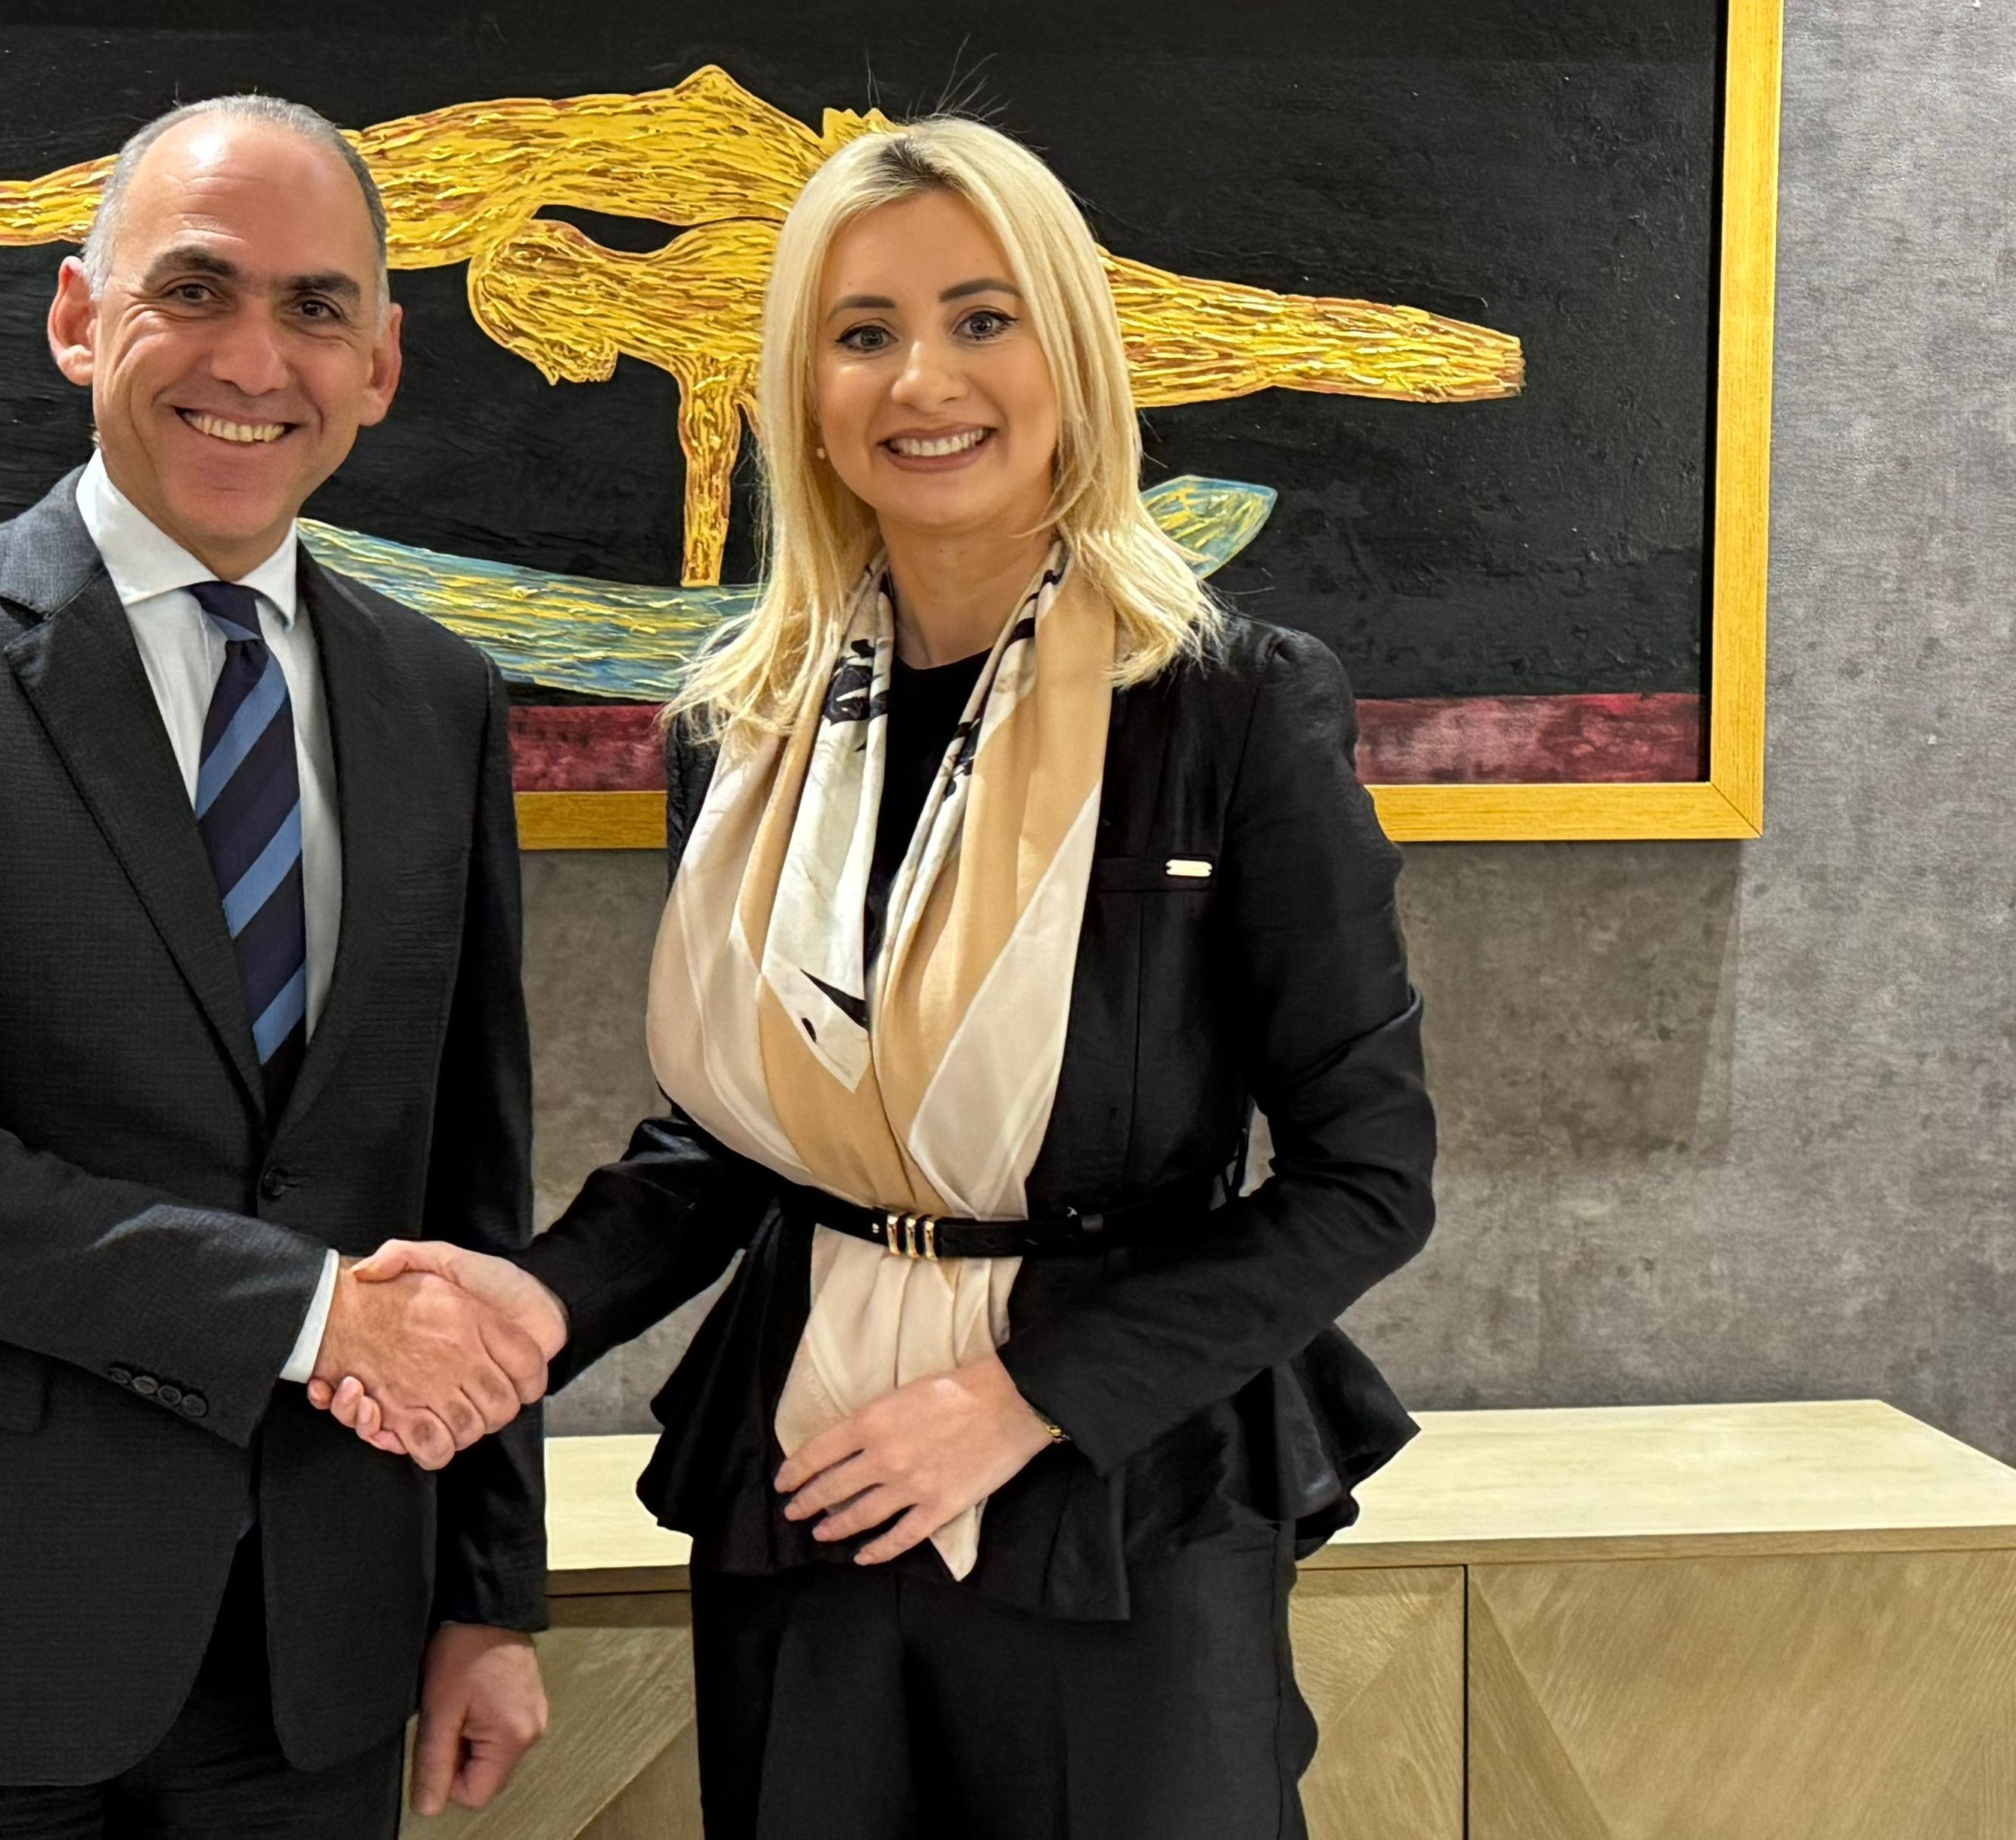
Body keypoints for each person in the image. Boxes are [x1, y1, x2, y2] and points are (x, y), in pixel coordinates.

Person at [319, 117, 1438, 1837]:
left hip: (1117, 1487)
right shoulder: (741, 723)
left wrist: (1016, 1402)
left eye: (982, 319)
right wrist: (541, 1303)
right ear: (802, 389)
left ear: (1071, 352)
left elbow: (1366, 1178)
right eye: (863, 332)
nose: (923, 378)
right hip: (805, 1470)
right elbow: (745, 1134)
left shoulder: (1227, 704)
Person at [0, 95, 561, 1839]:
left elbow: (462, 1183)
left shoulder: (440, 697)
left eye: (316, 308)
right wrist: (316, 1312)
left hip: (321, 1646)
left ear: (381, 363)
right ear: (76, 316)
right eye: (195, 289)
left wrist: (488, 1592)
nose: (255, 359)